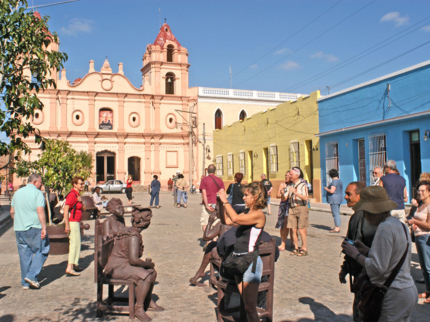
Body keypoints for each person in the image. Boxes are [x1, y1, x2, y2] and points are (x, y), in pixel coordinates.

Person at [342, 186, 418, 322]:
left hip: (394, 293)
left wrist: (355, 254)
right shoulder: (399, 224)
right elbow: (391, 256)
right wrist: (367, 251)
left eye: (366, 212)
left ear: (375, 210)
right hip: (408, 290)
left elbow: (377, 269)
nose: (364, 216)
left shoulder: (384, 228)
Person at [104, 207, 163, 321]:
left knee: (153, 273)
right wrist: (148, 265)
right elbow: (134, 260)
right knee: (145, 276)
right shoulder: (134, 236)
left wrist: (148, 267)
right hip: (116, 267)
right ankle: (139, 308)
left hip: (122, 264)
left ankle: (147, 300)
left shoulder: (130, 231)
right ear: (146, 224)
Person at [218, 182, 266, 322]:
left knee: (250, 308)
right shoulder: (246, 212)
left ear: (255, 196)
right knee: (245, 305)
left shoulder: (258, 215)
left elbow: (235, 218)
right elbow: (226, 220)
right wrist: (221, 205)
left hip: (251, 263)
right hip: (238, 261)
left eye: (246, 195)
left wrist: (225, 200)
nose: (243, 198)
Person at [339, 181, 377, 322]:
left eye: (349, 194)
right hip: (360, 274)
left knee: (362, 312)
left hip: (367, 275)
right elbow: (349, 244)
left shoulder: (364, 217)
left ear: (360, 196)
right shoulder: (356, 216)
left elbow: (357, 246)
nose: (345, 197)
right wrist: (344, 269)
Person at [10, 173, 49, 289]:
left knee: (24, 255)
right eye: (41, 183)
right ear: (35, 182)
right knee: (42, 249)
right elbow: (40, 211)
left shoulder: (17, 193)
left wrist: (18, 221)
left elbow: (12, 212)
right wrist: (44, 228)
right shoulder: (37, 193)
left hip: (19, 228)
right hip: (34, 227)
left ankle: (25, 282)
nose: (41, 185)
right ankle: (31, 276)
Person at [407, 181, 430, 303]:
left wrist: (414, 222)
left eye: (423, 191)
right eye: (418, 190)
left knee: (428, 267)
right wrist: (416, 225)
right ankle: (428, 290)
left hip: (426, 238)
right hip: (419, 237)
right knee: (424, 267)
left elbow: (429, 225)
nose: (419, 193)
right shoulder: (420, 205)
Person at [64, 176, 86, 276]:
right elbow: (66, 209)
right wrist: (67, 225)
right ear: (75, 184)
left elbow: (84, 209)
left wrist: (81, 201)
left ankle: (75, 263)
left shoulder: (77, 195)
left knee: (77, 244)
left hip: (76, 222)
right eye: (80, 183)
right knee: (74, 244)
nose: (82, 185)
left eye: (83, 183)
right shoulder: (72, 195)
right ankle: (69, 267)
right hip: (72, 222)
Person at [287, 167, 309, 256]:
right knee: (293, 229)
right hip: (292, 208)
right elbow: (286, 197)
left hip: (301, 208)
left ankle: (304, 248)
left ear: (297, 175)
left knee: (301, 229)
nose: (290, 176)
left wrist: (295, 193)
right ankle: (296, 247)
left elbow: (306, 197)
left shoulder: (303, 185)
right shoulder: (290, 185)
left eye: (291, 175)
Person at [199, 164, 225, 233]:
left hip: (207, 203)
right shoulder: (220, 180)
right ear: (215, 171)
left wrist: (207, 205)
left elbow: (204, 194)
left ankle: (208, 239)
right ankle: (214, 238)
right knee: (216, 221)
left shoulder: (204, 180)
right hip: (216, 203)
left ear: (207, 171)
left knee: (204, 222)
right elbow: (222, 193)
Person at [276, 171, 293, 251]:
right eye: (285, 175)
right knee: (282, 225)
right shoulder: (282, 185)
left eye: (288, 175)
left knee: (291, 225)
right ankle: (283, 242)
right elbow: (277, 195)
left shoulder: (293, 185)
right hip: (283, 205)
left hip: (291, 205)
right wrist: (282, 193)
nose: (286, 177)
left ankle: (291, 242)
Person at [324, 169, 343, 233]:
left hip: (334, 199)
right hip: (338, 198)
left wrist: (326, 189)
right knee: (337, 212)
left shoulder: (334, 182)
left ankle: (337, 227)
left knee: (335, 213)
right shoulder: (339, 181)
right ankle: (337, 226)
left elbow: (332, 191)